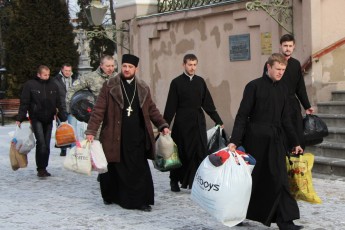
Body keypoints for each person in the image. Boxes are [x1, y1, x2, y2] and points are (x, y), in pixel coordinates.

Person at [85, 54, 170, 212]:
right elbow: (99, 110)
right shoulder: (110, 85)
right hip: (115, 134)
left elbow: (152, 109)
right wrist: (91, 130)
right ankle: (111, 196)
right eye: (124, 66)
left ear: (136, 69)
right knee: (114, 167)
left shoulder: (143, 87)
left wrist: (162, 124)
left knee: (138, 169)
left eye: (130, 67)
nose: (127, 69)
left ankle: (140, 201)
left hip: (137, 135)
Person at [228, 53, 304, 230]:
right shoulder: (253, 86)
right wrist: (234, 141)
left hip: (276, 140)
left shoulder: (284, 89)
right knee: (251, 181)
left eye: (283, 70)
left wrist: (295, 142)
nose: (280, 73)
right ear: (268, 67)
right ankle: (238, 214)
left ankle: (286, 221)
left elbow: (286, 119)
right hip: (255, 140)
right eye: (278, 69)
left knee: (280, 179)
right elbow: (242, 116)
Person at [163, 53, 224, 192]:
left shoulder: (200, 82)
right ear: (183, 65)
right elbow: (170, 106)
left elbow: (208, 103)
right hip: (182, 123)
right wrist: (164, 125)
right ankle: (174, 180)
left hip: (198, 122)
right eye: (190, 65)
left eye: (194, 65)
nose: (192, 68)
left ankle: (196, 182)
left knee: (199, 152)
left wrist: (218, 120)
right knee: (181, 152)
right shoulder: (176, 82)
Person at [264, 34, 314, 150]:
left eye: (290, 46)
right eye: (285, 45)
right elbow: (265, 85)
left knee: (297, 136)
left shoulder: (296, 64)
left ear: (294, 46)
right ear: (280, 46)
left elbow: (300, 87)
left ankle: (296, 166)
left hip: (292, 106)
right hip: (277, 104)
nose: (288, 48)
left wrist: (307, 106)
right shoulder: (272, 63)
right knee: (281, 137)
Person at [16, 65, 67, 177]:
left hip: (49, 118)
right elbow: (24, 102)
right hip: (36, 117)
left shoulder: (53, 85)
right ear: (38, 74)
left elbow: (59, 102)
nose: (47, 77)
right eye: (45, 75)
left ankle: (44, 167)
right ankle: (41, 168)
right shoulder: (30, 85)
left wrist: (63, 117)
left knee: (47, 144)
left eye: (48, 75)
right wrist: (20, 118)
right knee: (41, 143)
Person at [66, 55, 117, 121]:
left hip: (115, 118)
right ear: (101, 65)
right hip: (97, 118)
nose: (111, 69)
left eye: (112, 66)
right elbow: (72, 89)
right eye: (108, 66)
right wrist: (70, 109)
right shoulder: (90, 77)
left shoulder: (118, 78)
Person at [53, 63, 78, 156]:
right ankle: (63, 148)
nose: (68, 72)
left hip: (72, 108)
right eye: (66, 70)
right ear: (62, 70)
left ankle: (73, 150)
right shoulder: (56, 80)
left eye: (69, 70)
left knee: (73, 129)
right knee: (62, 130)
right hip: (61, 108)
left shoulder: (75, 79)